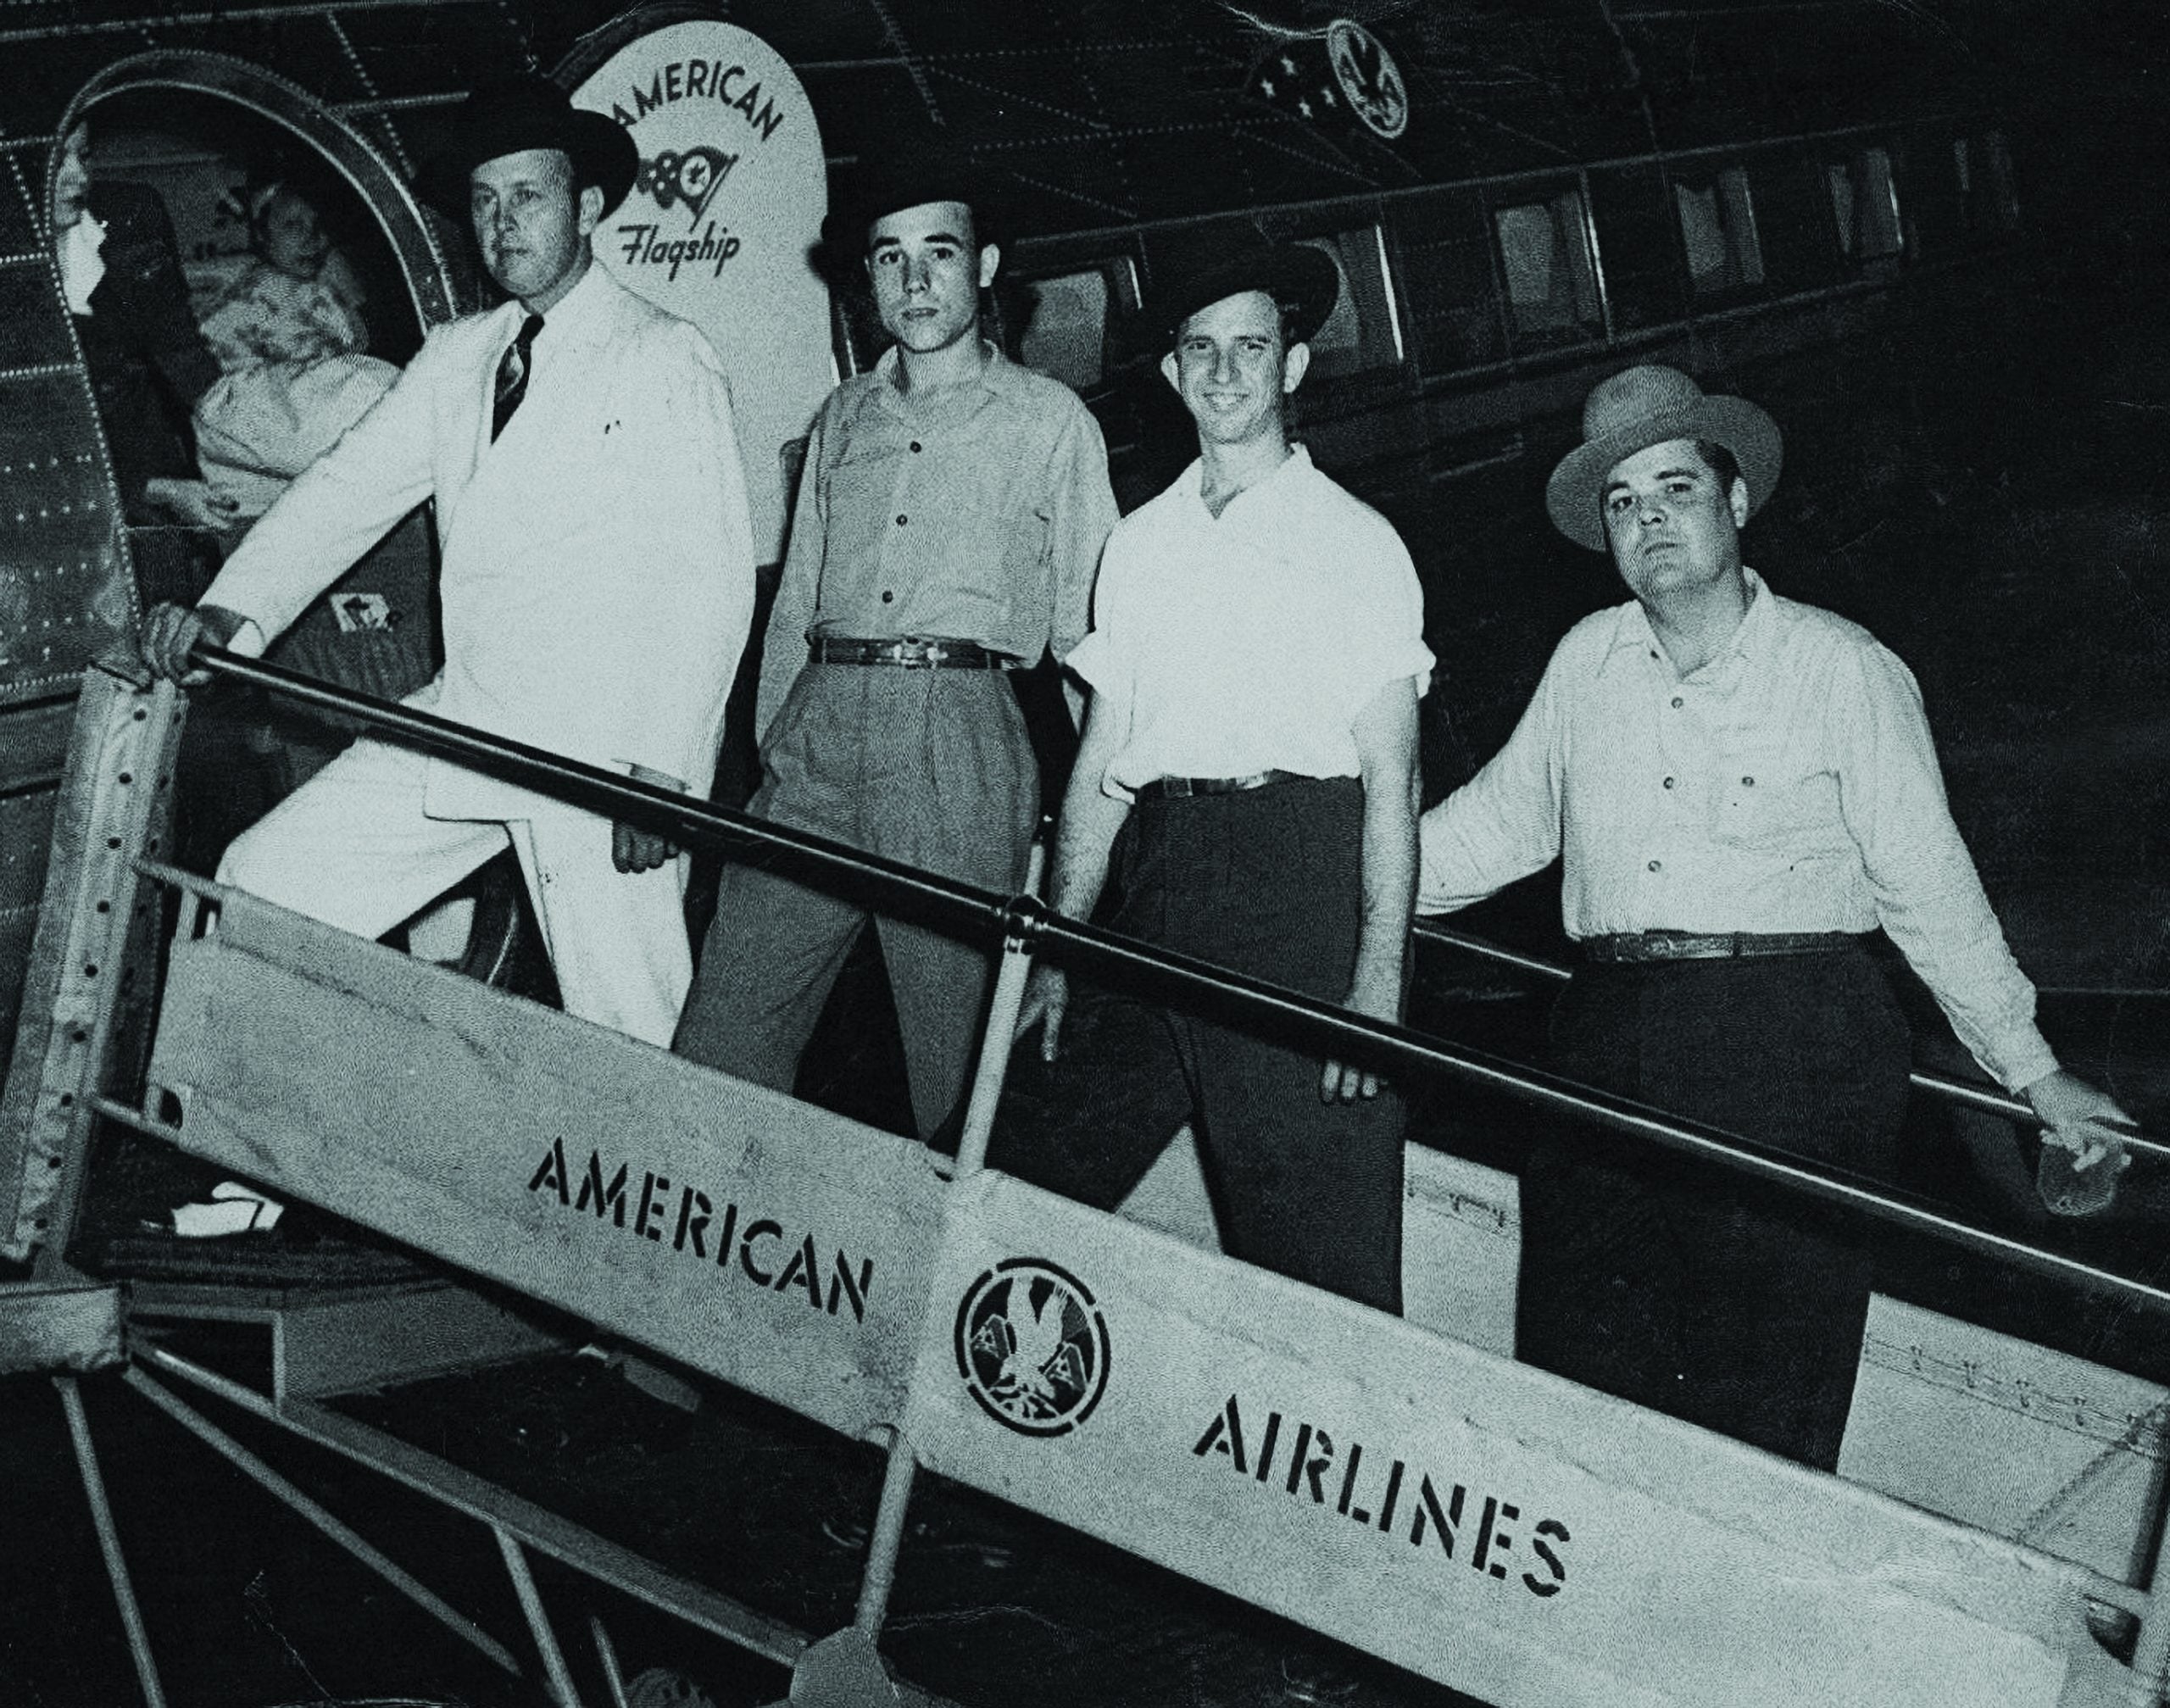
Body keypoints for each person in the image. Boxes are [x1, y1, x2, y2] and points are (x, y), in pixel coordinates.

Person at [1416, 363, 2135, 1466]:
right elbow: (1491, 831)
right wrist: (1327, 881)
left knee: (1762, 1390)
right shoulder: (1586, 663)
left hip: (1792, 1037)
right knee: (1578, 1370)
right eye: (1623, 502)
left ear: (1736, 499)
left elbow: (1926, 880)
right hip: (1607, 1036)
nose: (1649, 520)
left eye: (1675, 489)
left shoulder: (1841, 669)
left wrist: (2032, 1070)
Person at [142, 73, 758, 1050]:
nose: (503, 223)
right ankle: (276, 1156)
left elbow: (708, 577)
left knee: (632, 1031)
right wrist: (230, 612)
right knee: (264, 880)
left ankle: (655, 1195)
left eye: (529, 196)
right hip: (473, 716)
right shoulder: (458, 356)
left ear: (588, 206)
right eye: (485, 200)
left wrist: (665, 773)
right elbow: (343, 492)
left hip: (604, 755)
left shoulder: (661, 354)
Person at [991, 243, 1431, 1315]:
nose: (1225, 372)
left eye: (1250, 348)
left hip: (1298, 886)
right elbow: (1101, 763)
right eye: (1201, 350)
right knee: (1008, 1177)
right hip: (1158, 885)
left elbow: (1393, 784)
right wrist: (1059, 947)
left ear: (1292, 369)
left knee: (1318, 1261)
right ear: (1172, 374)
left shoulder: (1357, 544)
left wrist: (1376, 988)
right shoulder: (1141, 544)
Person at [671, 153, 1119, 1141]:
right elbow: (793, 610)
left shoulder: (1051, 425)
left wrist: (1087, 852)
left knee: (958, 1075)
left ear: (986, 265)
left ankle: (942, 1285)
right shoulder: (841, 419)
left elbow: (1094, 651)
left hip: (956, 739)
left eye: (939, 252)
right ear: (865, 280)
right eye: (888, 259)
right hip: (816, 740)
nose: (913, 283)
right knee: (720, 1041)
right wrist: (766, 773)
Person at [48, 120, 233, 558]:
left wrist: (240, 429)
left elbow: (183, 353)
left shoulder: (133, 218)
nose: (78, 175)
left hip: (152, 456)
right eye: (57, 161)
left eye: (85, 155)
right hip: (60, 495)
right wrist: (152, 490)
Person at [190, 179, 399, 522]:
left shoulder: (319, 290)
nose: (312, 239)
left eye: (318, 227)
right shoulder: (250, 297)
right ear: (262, 236)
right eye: (292, 226)